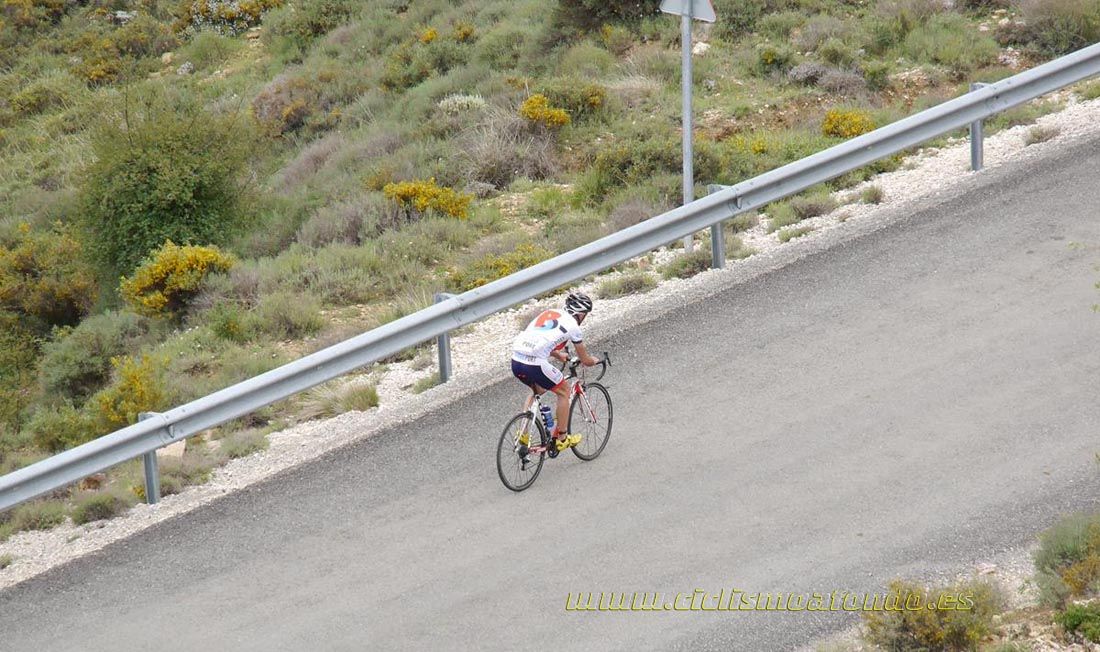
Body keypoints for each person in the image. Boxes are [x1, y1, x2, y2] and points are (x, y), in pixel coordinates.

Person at [511, 292, 601, 452]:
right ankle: (562, 438)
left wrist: (557, 355)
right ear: (580, 314)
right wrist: (595, 360)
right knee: (564, 391)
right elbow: (585, 359)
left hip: (516, 360)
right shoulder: (573, 326)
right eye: (585, 315)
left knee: (537, 390)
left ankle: (523, 433)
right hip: (534, 363)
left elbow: (541, 337)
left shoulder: (550, 313)